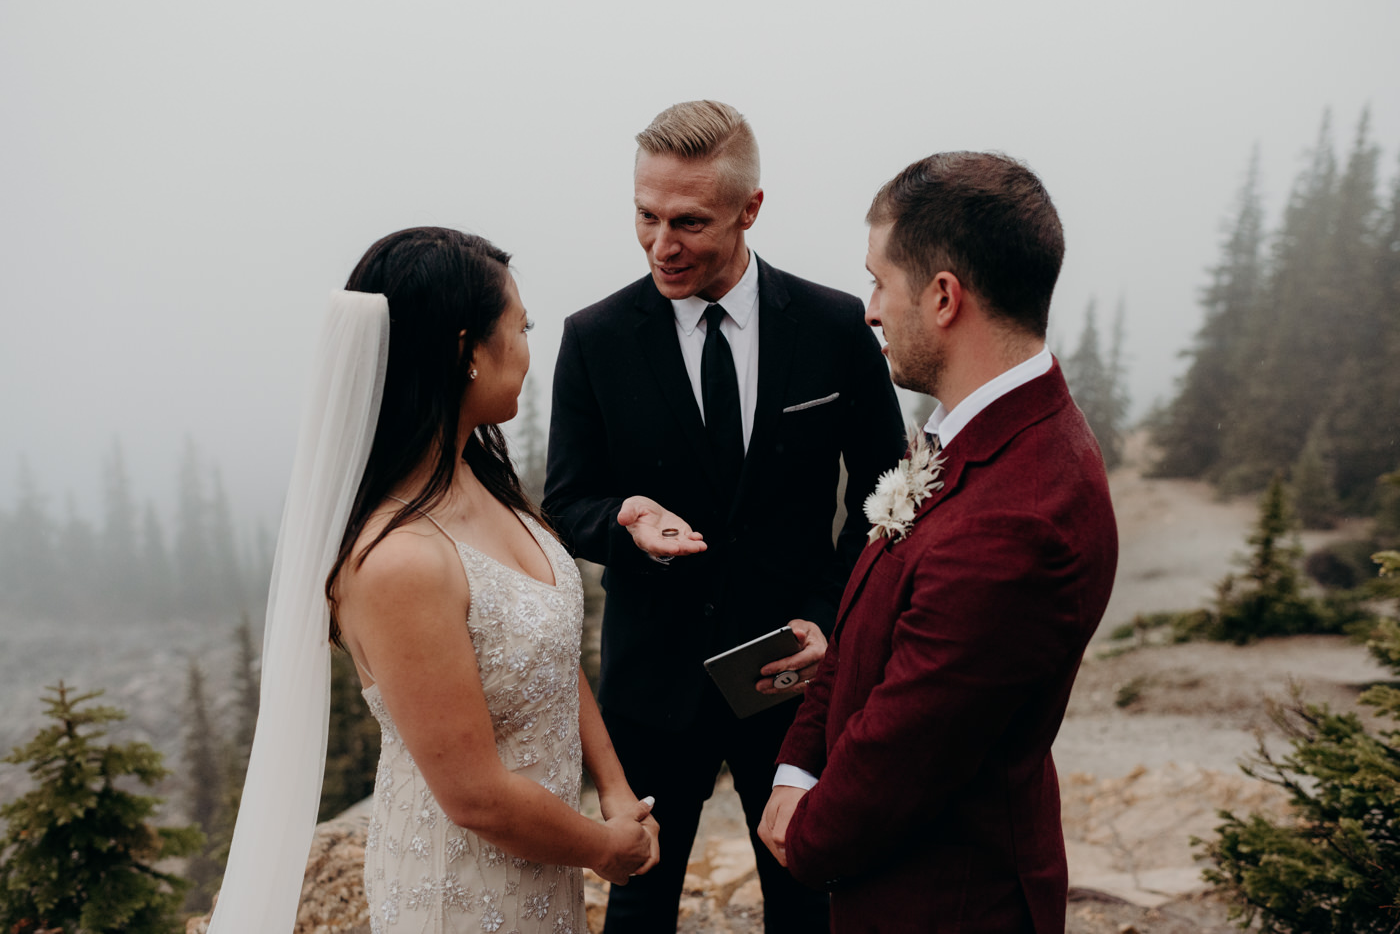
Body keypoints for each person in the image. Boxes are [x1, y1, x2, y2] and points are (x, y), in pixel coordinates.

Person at [209, 227, 658, 933]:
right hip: (459, 889)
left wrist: (615, 788)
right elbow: (475, 797)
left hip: (541, 865)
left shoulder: (481, 480)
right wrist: (605, 848)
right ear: (465, 351)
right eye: (521, 326)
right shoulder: (398, 560)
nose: (528, 347)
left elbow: (546, 653)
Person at [543, 101, 905, 932]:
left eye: (688, 222)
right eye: (645, 215)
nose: (660, 244)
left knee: (806, 891)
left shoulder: (834, 327)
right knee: (640, 901)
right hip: (652, 680)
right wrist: (628, 519)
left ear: (750, 210)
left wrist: (828, 618)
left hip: (792, 671)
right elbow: (568, 501)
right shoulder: (594, 338)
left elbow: (886, 490)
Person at [759, 153, 1119, 933]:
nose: (870, 310)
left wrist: (803, 832)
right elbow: (861, 631)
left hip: (951, 904)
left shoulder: (1019, 518)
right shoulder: (978, 432)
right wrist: (795, 765)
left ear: (945, 296)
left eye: (880, 282)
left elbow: (908, 748)